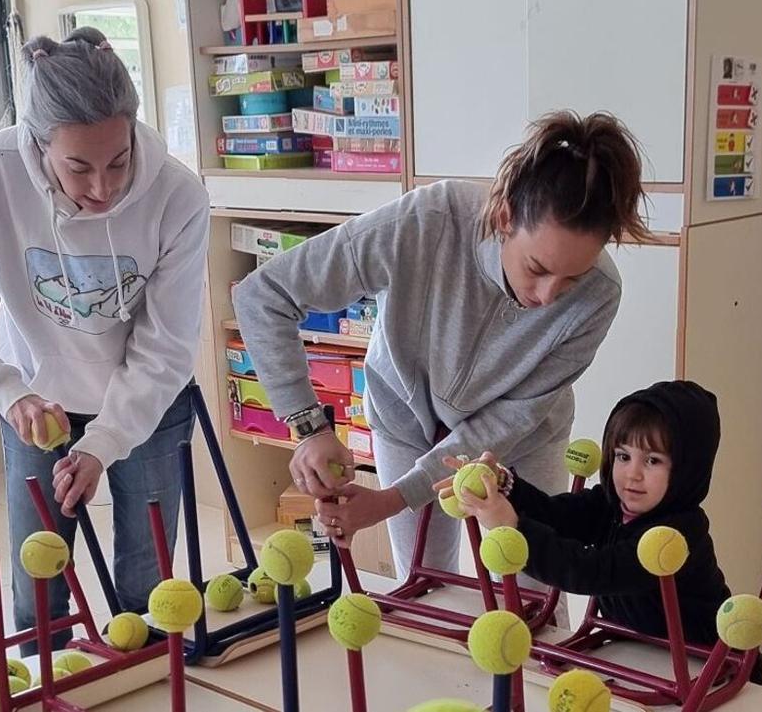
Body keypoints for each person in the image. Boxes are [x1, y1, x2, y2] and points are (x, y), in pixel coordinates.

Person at [234, 111, 649, 581]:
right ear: (504, 215)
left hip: (521, 442)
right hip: (405, 417)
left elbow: (508, 420)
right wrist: (309, 427)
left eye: (571, 278)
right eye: (537, 268)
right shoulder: (429, 220)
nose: (549, 295)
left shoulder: (600, 294)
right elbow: (263, 295)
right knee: (424, 585)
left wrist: (393, 499)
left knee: (531, 595)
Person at [0, 28, 210, 652]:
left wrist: (104, 443)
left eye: (118, 161)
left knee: (149, 589)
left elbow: (166, 346)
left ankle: (147, 681)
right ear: (38, 146)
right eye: (78, 167)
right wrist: (5, 392)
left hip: (148, 402)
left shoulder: (177, 194)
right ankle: (45, 681)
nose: (103, 188)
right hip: (34, 399)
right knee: (37, 578)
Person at [440, 381, 762, 684]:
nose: (632, 475)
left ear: (686, 470)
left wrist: (511, 527)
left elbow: (591, 571)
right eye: (623, 456)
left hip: (711, 660)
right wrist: (503, 485)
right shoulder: (611, 504)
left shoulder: (679, 532)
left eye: (652, 461)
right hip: (643, 654)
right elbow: (555, 515)